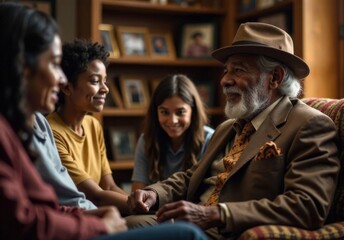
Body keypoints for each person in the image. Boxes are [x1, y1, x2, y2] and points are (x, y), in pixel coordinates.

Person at [0, 3, 209, 240]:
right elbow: (37, 215)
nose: (60, 79)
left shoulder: (51, 125)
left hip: (79, 218)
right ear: (22, 67)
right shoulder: (39, 129)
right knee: (186, 233)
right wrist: (103, 221)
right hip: (78, 224)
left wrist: (106, 215)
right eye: (53, 64)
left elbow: (87, 194)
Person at [126, 22, 340, 239]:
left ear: (274, 77)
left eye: (238, 70)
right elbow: (192, 177)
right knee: (124, 225)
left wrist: (219, 214)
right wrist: (154, 193)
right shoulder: (228, 127)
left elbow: (308, 206)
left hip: (227, 232)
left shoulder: (310, 125)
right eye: (226, 71)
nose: (225, 81)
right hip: (192, 224)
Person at [46, 39, 130, 214]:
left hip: (102, 212)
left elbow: (109, 185)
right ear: (67, 87)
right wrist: (143, 208)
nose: (105, 89)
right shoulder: (52, 132)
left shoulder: (93, 125)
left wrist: (142, 205)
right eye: (95, 81)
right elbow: (95, 196)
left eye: (104, 81)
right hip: (78, 218)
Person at [131, 74, 214, 192]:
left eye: (180, 112)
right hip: (154, 210)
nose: (172, 121)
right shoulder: (146, 140)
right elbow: (137, 193)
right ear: (156, 112)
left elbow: (214, 193)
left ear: (193, 111)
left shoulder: (210, 139)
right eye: (164, 112)